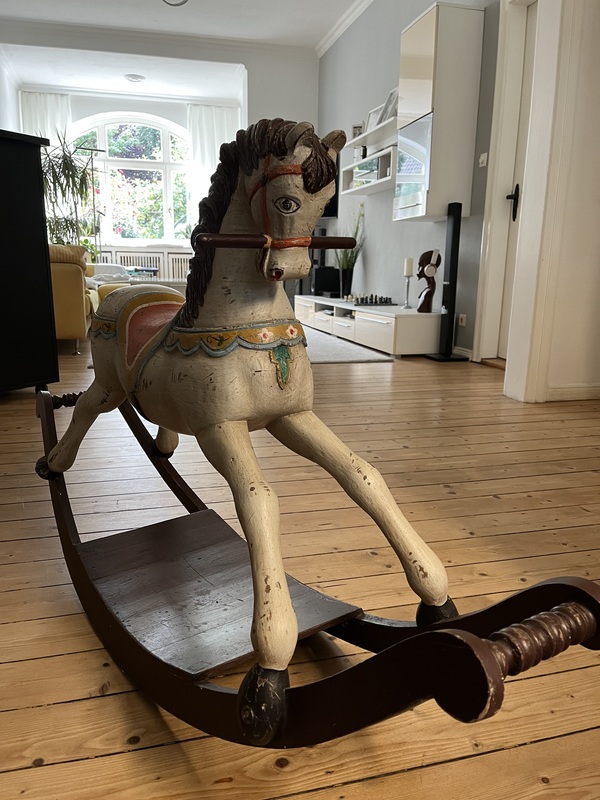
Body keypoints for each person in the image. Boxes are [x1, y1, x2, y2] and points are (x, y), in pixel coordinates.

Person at [416, 248, 441, 313]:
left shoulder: (428, 292)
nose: (418, 270)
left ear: (430, 269)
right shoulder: (427, 290)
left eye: (421, 265)